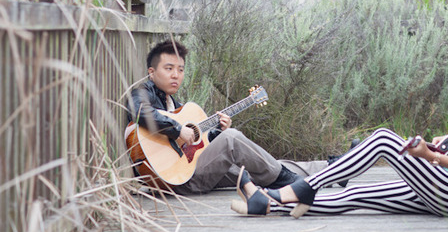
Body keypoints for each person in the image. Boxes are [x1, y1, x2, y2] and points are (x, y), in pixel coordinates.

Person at [230, 38, 448, 218]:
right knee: (357, 194)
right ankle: (266, 204)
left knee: (383, 139)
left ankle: (301, 188)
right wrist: (440, 145)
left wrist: (429, 156)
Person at [127, 39, 328, 196]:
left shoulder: (174, 104)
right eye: (169, 68)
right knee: (232, 138)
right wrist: (178, 130)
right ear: (151, 72)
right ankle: (288, 182)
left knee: (257, 164)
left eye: (181, 70)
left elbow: (195, 147)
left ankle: (329, 168)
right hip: (176, 182)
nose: (176, 75)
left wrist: (217, 132)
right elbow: (139, 111)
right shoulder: (143, 92)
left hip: (189, 172)